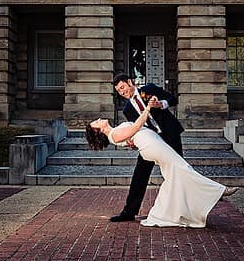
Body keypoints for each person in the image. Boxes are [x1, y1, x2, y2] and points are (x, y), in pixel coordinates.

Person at [88, 90, 226, 229]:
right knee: (181, 167)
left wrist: (156, 104)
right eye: (97, 122)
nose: (99, 119)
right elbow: (136, 126)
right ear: (98, 131)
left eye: (122, 87)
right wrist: (148, 108)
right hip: (151, 146)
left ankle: (169, 211)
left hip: (158, 140)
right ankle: (217, 191)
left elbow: (134, 131)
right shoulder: (115, 132)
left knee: (175, 173)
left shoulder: (115, 130)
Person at [108, 77, 183, 224]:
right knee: (140, 174)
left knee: (181, 169)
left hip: (170, 134)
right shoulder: (127, 110)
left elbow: (173, 99)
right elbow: (136, 127)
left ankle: (189, 202)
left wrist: (161, 104)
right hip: (152, 141)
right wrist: (132, 141)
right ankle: (129, 212)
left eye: (122, 87)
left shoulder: (149, 89)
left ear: (130, 82)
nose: (122, 92)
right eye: (118, 91)